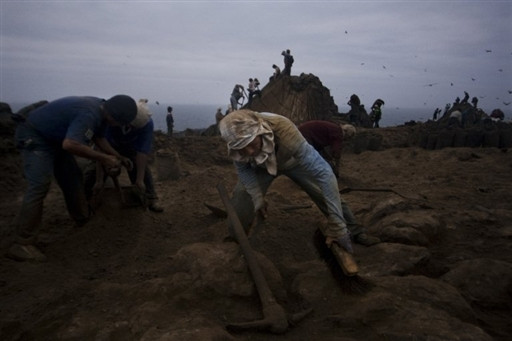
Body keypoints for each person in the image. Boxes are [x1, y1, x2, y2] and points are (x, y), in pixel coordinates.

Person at [219, 110, 378, 255]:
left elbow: (323, 172)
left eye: (253, 144)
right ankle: (236, 241)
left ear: (262, 132)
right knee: (241, 197)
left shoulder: (284, 130)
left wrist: (337, 225)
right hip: (262, 167)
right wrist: (257, 198)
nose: (250, 152)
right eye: (242, 149)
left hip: (293, 160)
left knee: (325, 193)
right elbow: (244, 170)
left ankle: (351, 230)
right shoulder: (234, 138)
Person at [8, 95, 138, 261]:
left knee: (73, 177)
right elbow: (70, 144)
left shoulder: (103, 110)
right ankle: (22, 243)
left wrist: (117, 156)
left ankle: (82, 218)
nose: (118, 126)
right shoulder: (89, 114)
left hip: (55, 139)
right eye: (119, 123)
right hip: (35, 136)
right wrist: (104, 158)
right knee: (39, 185)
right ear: (113, 116)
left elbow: (99, 138)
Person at [89, 100, 164, 213]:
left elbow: (142, 152)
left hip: (130, 148)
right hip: (109, 146)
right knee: (93, 173)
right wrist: (99, 179)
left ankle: (150, 198)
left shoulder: (146, 123)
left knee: (140, 171)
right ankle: (87, 199)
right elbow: (101, 147)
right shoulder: (112, 120)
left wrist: (139, 180)